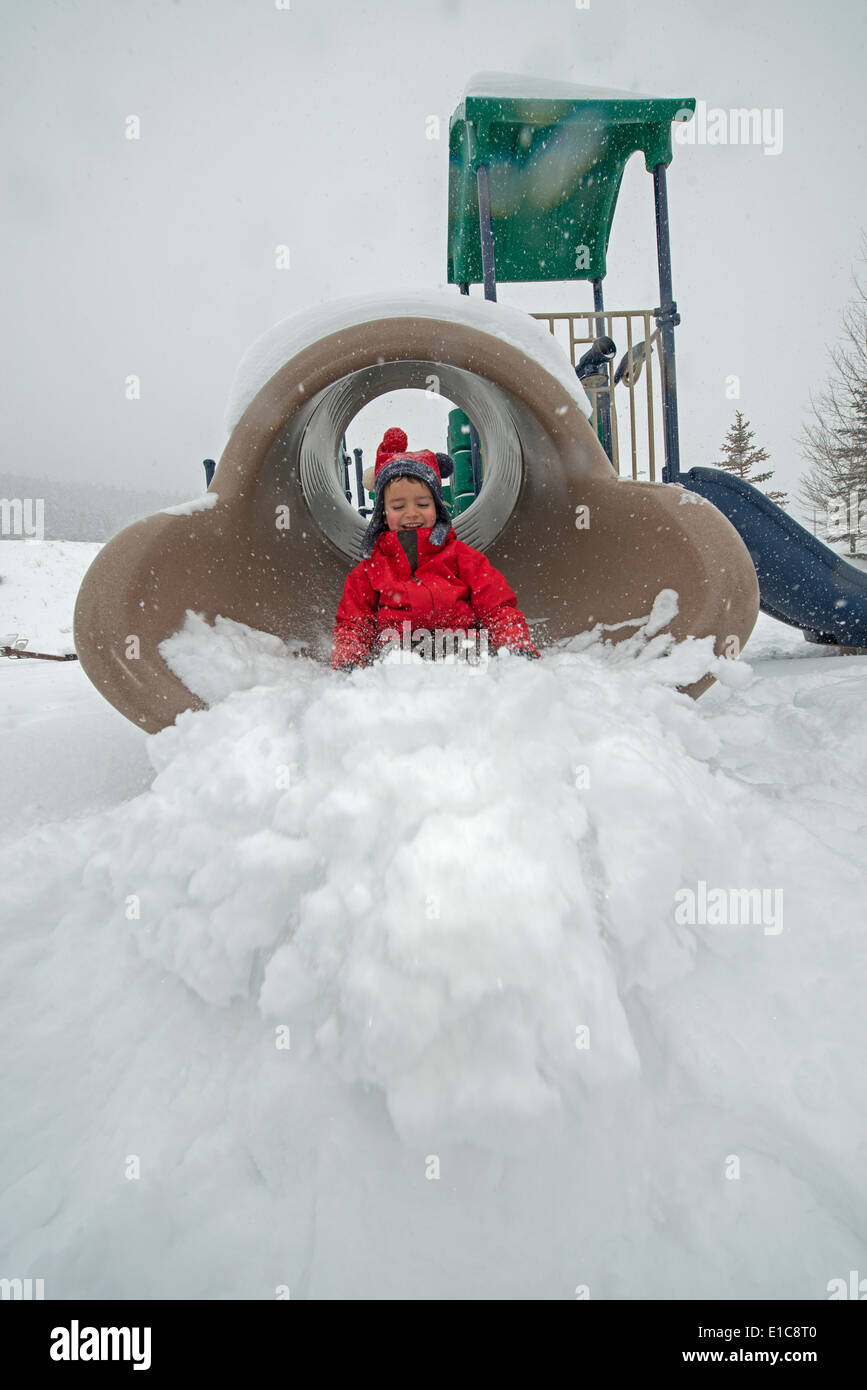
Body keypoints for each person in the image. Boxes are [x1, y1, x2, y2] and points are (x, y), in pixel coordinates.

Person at [331, 426, 541, 671]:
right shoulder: (373, 567)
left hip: (459, 646)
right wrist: (348, 658)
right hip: (399, 651)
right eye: (398, 507)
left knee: (472, 654)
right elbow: (355, 621)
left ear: (438, 507)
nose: (411, 513)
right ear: (383, 515)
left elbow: (496, 606)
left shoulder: (461, 557)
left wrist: (515, 645)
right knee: (389, 656)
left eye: (422, 503)